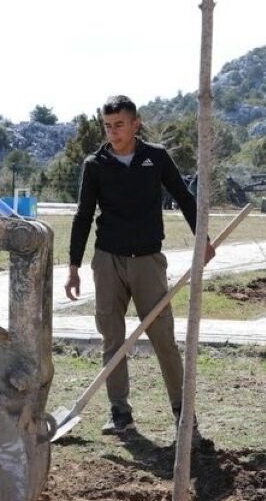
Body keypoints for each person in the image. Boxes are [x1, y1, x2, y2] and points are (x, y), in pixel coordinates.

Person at [65, 95, 215, 438]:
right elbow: (83, 215)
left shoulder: (156, 157)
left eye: (119, 124)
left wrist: (203, 240)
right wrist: (74, 266)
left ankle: (183, 415)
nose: (113, 132)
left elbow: (184, 197)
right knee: (112, 338)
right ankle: (120, 414)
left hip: (148, 262)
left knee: (163, 337)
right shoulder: (96, 164)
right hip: (108, 262)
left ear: (136, 123)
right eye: (108, 125)